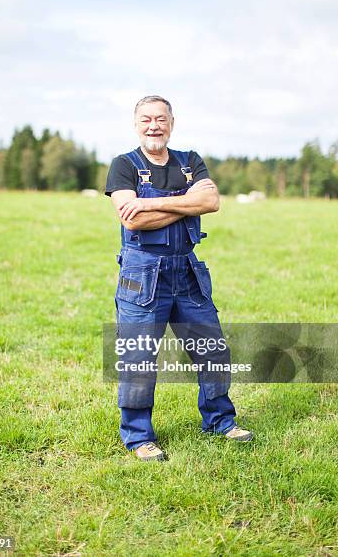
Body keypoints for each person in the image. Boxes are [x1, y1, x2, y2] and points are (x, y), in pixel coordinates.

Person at [105, 95, 253, 461]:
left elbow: (211, 202)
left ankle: (220, 420)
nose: (154, 125)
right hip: (143, 275)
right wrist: (185, 202)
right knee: (139, 358)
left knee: (213, 350)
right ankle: (139, 437)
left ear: (172, 122)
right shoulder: (123, 166)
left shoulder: (190, 161)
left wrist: (151, 202)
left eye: (160, 119)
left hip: (186, 270)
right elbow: (131, 219)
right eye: (146, 120)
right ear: (135, 124)